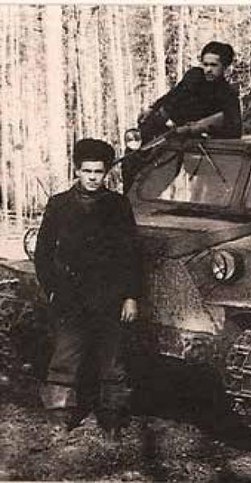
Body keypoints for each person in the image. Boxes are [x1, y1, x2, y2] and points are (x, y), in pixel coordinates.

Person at [35, 138, 142, 441]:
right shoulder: (59, 204)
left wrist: (131, 296)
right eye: (87, 171)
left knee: (112, 361)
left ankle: (113, 419)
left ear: (106, 172)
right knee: (65, 358)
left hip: (109, 295)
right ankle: (59, 418)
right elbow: (43, 252)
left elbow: (131, 254)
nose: (93, 177)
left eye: (99, 172)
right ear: (77, 171)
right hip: (70, 297)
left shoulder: (118, 205)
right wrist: (52, 288)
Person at [138, 41, 242, 142]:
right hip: (175, 136)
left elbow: (234, 129)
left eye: (214, 65)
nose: (208, 69)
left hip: (202, 144)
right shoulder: (194, 77)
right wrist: (152, 109)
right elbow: (173, 95)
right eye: (205, 65)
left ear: (224, 67)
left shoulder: (228, 94)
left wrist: (195, 128)